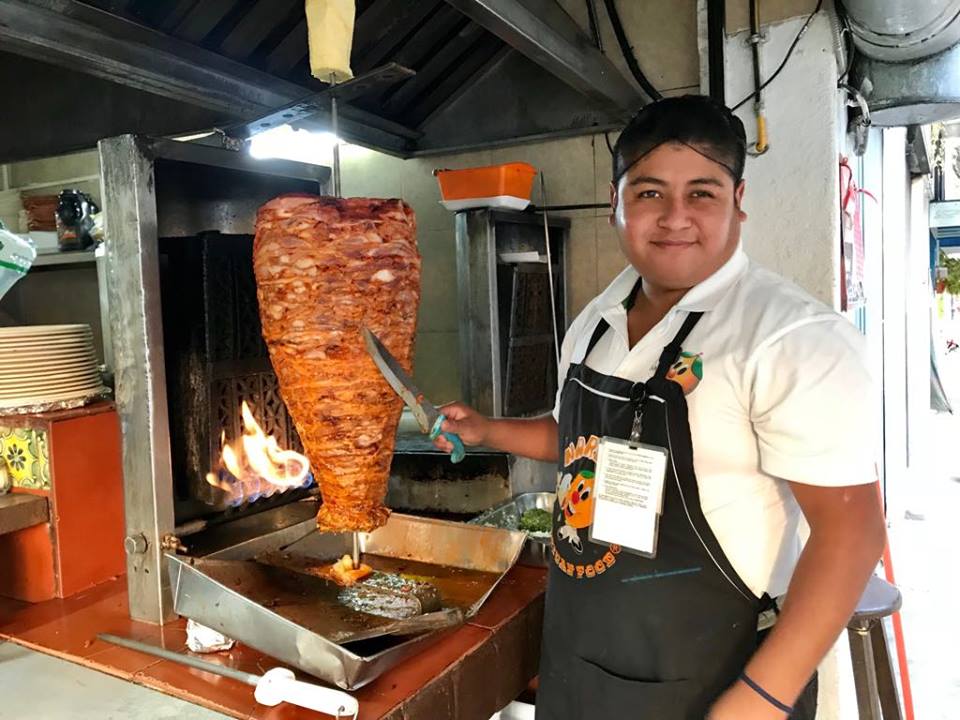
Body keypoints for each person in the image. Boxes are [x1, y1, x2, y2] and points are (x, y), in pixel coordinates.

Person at [434, 95, 887, 719]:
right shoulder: (596, 321)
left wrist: (761, 699)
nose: (675, 217)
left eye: (702, 193)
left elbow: (852, 535)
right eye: (649, 193)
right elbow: (577, 439)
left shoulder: (790, 338)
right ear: (615, 201)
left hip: (711, 682)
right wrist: (489, 431)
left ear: (739, 203)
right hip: (581, 662)